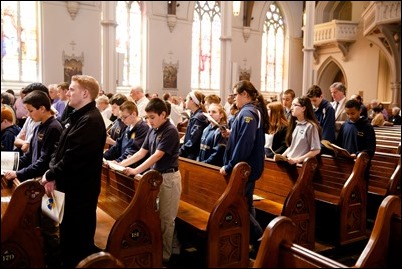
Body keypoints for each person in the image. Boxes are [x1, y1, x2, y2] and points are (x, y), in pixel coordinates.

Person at [41, 75, 107, 268]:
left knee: (77, 241)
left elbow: (74, 157)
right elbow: (59, 148)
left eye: (72, 89)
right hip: (68, 187)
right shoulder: (77, 115)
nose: (67, 93)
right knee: (66, 234)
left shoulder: (91, 120)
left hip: (80, 192)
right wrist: (51, 172)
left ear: (85, 93)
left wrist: (51, 174)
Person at [117, 98, 181, 266]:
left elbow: (157, 155)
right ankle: (164, 248)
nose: (149, 121)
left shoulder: (170, 131)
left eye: (152, 117)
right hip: (155, 178)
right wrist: (119, 164)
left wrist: (136, 171)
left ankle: (165, 257)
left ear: (163, 114)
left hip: (168, 178)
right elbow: (141, 152)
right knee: (156, 217)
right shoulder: (153, 130)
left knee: (167, 219)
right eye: (147, 118)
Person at [219, 80, 269, 256]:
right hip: (245, 168)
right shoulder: (248, 111)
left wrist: (231, 165)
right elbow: (242, 135)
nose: (234, 100)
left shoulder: (249, 113)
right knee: (246, 205)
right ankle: (254, 241)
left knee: (238, 206)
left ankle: (261, 239)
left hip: (244, 169)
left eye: (236, 95)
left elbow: (246, 143)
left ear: (245, 95)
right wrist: (231, 133)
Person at [280, 96, 322, 164]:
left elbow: (316, 150)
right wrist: (281, 156)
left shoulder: (311, 126)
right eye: (291, 105)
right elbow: (292, 147)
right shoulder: (297, 124)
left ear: (303, 108)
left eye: (294, 105)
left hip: (300, 165)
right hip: (291, 162)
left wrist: (297, 160)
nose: (291, 108)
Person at [179, 90, 209, 160]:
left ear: (192, 101)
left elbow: (193, 142)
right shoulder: (194, 115)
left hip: (193, 156)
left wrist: (180, 152)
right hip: (190, 154)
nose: (185, 102)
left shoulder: (198, 117)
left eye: (186, 100)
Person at [306, 85, 336, 155]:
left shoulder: (329, 109)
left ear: (321, 97)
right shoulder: (313, 108)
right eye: (310, 101)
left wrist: (318, 147)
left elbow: (327, 132)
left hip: (324, 146)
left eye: (314, 100)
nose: (312, 103)